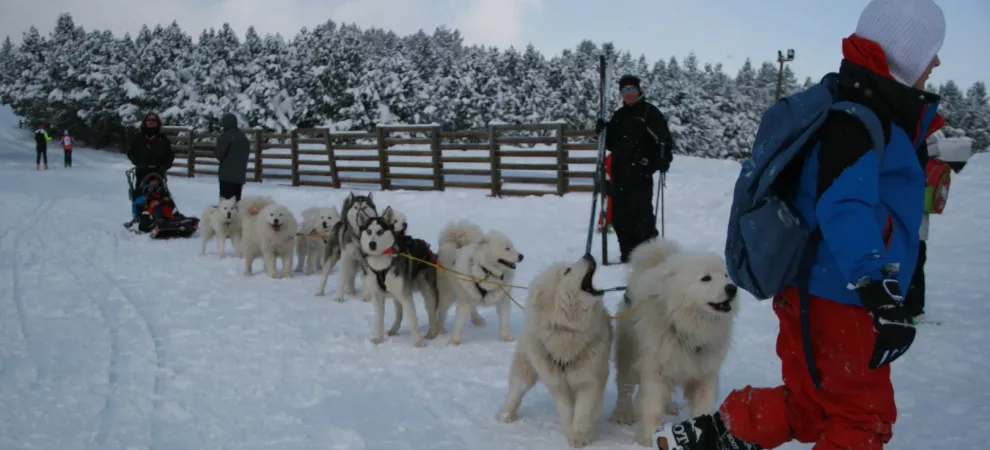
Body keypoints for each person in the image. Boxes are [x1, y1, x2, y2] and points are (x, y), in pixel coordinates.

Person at [653, 0, 946, 449]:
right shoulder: (860, 119)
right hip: (843, 298)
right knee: (861, 419)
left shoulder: (849, 106)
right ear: (904, 52)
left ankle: (715, 434)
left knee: (810, 407)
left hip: (813, 291)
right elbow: (844, 206)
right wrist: (878, 289)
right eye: (930, 51)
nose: (937, 62)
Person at [594, 74, 674, 263]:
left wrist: (660, 161)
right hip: (619, 173)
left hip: (640, 173)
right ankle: (628, 255)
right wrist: (602, 130)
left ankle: (651, 257)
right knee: (621, 218)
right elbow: (611, 144)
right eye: (624, 90)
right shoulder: (619, 116)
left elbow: (664, 140)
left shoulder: (649, 113)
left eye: (631, 89)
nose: (628, 93)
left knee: (642, 215)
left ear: (639, 90)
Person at [127, 112, 174, 185]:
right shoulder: (138, 137)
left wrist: (164, 167)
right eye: (149, 120)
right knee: (140, 195)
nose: (151, 121)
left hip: (158, 173)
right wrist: (137, 162)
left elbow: (170, 155)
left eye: (154, 120)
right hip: (142, 173)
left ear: (157, 122)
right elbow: (130, 152)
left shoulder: (163, 138)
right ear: (145, 122)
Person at [213, 113, 251, 201]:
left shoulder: (226, 136)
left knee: (225, 205)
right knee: (235, 204)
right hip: (240, 176)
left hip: (227, 176)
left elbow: (219, 155)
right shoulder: (243, 137)